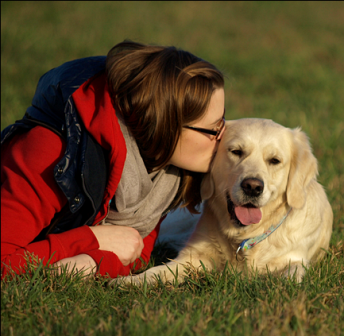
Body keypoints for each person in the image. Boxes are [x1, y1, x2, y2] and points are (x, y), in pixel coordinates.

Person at [1, 40, 225, 279]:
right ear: (166, 126)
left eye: (223, 121)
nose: (223, 136)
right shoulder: (52, 153)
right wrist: (93, 239)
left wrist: (93, 262)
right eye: (212, 130)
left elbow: (135, 251)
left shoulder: (162, 171)